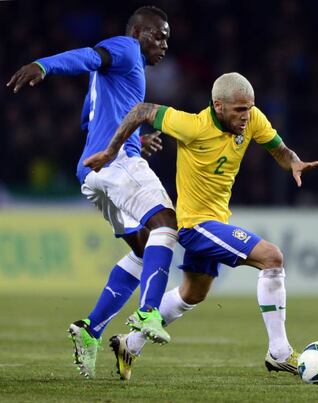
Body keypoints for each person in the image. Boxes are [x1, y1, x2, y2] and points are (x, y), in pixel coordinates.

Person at [84, 72, 318, 381]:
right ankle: (278, 352)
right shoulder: (193, 126)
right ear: (218, 105)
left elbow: (278, 149)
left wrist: (293, 161)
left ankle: (129, 344)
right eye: (238, 110)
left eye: (249, 108)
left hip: (216, 220)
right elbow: (141, 111)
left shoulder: (253, 119)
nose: (245, 116)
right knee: (272, 258)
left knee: (192, 294)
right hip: (195, 225)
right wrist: (110, 151)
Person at [7, 6, 178, 379]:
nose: (165, 43)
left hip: (92, 172)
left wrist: (135, 137)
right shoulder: (126, 49)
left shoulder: (119, 75)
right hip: (114, 166)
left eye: (167, 36)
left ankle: (92, 329)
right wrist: (44, 65)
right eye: (159, 34)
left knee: (142, 247)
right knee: (167, 223)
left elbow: (91, 117)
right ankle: (149, 311)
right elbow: (89, 56)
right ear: (138, 32)